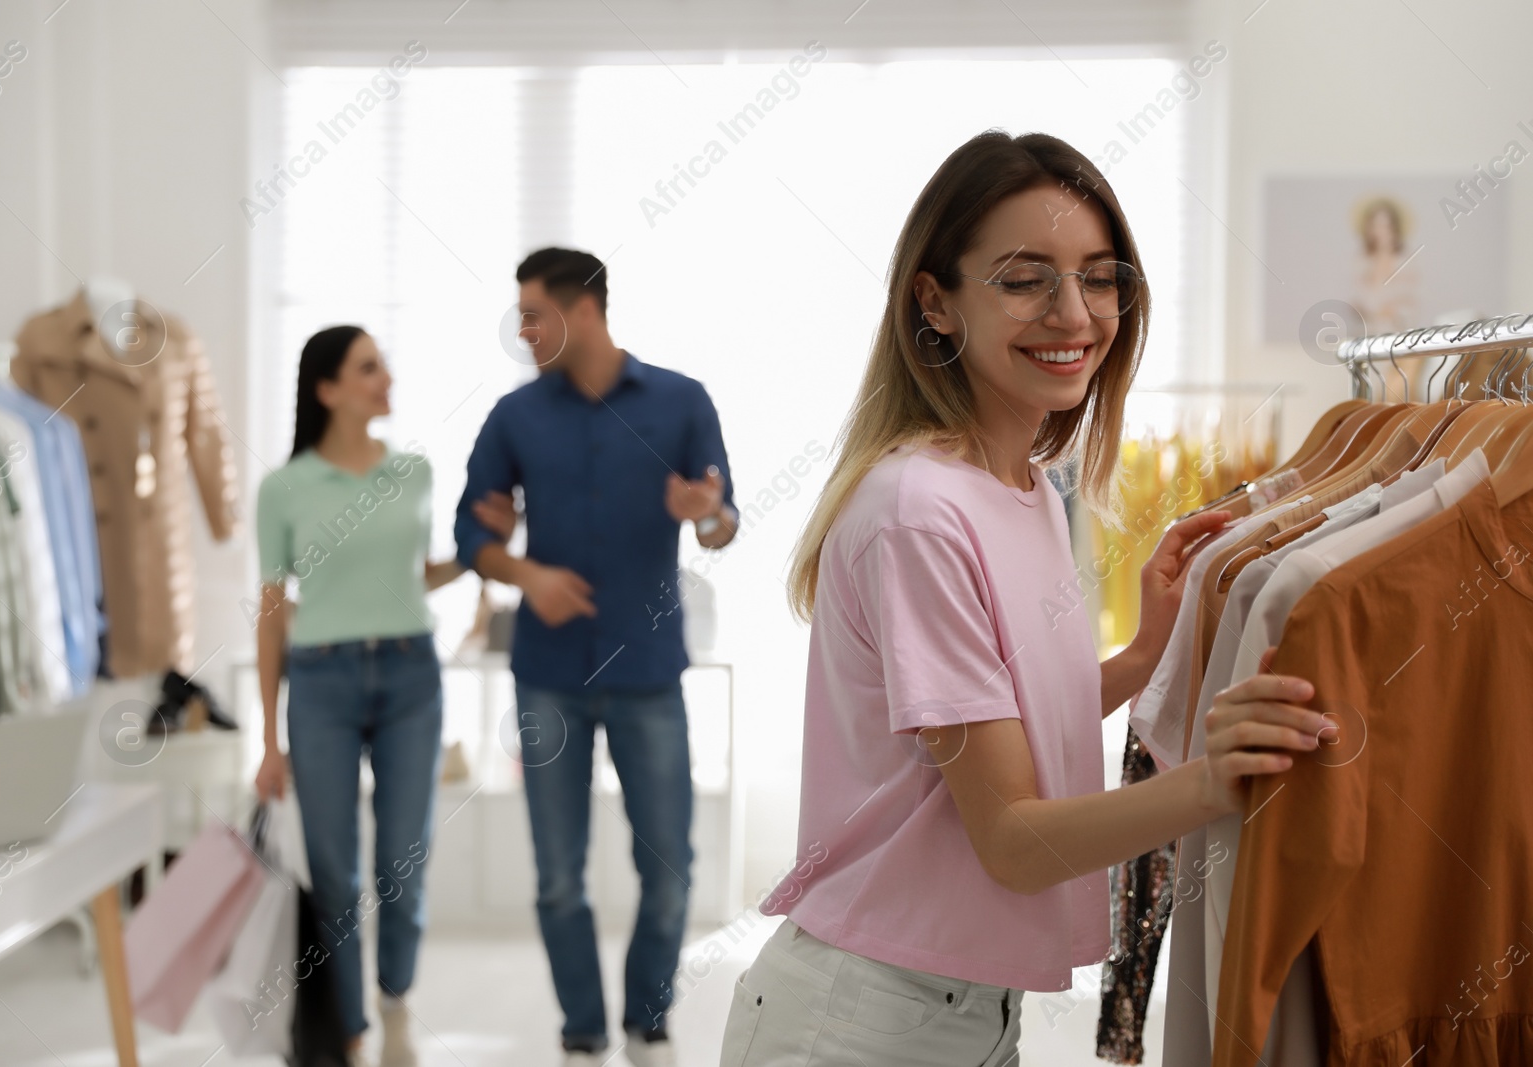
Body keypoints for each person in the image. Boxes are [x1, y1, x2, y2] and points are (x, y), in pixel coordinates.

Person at [716, 131, 1330, 1066]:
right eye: (1023, 278)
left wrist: (1135, 660)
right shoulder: (918, 511)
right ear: (936, 299)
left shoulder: (1028, 486)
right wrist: (1211, 783)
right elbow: (1010, 837)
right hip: (863, 1019)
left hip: (965, 1010)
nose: (1073, 313)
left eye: (1099, 275)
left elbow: (991, 733)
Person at [454, 248, 739, 1066]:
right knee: (556, 875)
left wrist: (705, 514)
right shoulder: (515, 418)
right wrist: (523, 571)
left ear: (582, 312)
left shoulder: (682, 402)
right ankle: (581, 1029)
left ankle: (647, 1021)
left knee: (672, 867)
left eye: (533, 315)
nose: (524, 330)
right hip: (549, 675)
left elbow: (725, 521)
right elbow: (471, 533)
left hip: (649, 671)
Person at [254, 326, 464, 1067]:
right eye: (369, 367)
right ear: (328, 389)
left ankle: (395, 1000)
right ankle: (346, 1029)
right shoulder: (284, 488)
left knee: (403, 863)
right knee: (335, 873)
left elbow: (413, 575)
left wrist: (474, 557)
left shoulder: (412, 472)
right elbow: (273, 610)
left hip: (411, 674)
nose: (387, 377)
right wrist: (270, 740)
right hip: (321, 683)